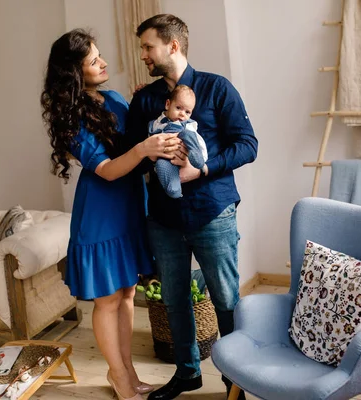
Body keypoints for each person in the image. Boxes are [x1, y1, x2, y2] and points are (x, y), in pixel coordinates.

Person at [40, 28, 181, 400]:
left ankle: (129, 374)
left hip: (131, 207)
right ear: (74, 71)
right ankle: (118, 377)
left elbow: (134, 140)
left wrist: (142, 109)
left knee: (128, 295)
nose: (103, 63)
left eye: (100, 55)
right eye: (93, 61)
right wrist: (144, 148)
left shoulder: (113, 97)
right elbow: (107, 169)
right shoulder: (71, 117)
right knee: (108, 300)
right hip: (102, 212)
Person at [126, 14, 258, 400]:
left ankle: (236, 380)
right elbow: (131, 152)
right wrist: (151, 152)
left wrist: (200, 169)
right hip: (163, 219)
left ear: (173, 46)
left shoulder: (218, 88)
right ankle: (187, 374)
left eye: (148, 47)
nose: (144, 55)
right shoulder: (146, 98)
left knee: (226, 298)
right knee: (174, 299)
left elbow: (248, 145)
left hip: (213, 213)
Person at [148, 84, 207, 198]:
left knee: (187, 134)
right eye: (178, 108)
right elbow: (151, 139)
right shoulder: (157, 123)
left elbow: (200, 142)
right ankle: (173, 188)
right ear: (168, 104)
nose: (182, 114)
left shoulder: (188, 125)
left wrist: (203, 159)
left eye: (187, 112)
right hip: (165, 156)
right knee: (161, 164)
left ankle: (196, 156)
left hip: (184, 152)